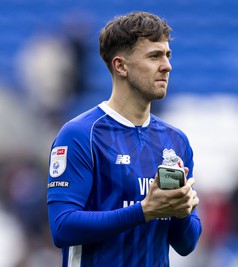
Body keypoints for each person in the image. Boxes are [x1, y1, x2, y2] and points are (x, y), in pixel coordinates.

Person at [47, 11, 202, 267]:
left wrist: (182, 212)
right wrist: (144, 211)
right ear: (120, 66)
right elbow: (62, 227)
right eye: (154, 56)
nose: (167, 65)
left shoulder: (176, 141)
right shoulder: (80, 135)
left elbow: (186, 245)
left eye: (167, 55)